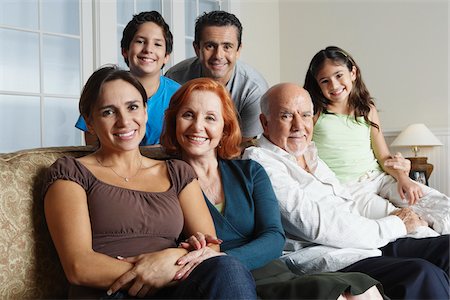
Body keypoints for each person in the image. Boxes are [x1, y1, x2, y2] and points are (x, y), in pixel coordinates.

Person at [158, 77, 384, 300]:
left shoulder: (250, 171)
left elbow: (274, 237)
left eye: (210, 118)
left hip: (275, 273)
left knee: (363, 289)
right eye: (188, 115)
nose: (198, 126)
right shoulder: (163, 178)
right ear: (174, 121)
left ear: (224, 127)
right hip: (225, 284)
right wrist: (214, 262)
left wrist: (223, 256)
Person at [43, 66, 256, 299]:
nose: (124, 121)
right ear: (90, 122)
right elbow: (79, 267)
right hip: (110, 291)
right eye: (108, 112)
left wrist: (167, 262)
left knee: (227, 269)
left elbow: (210, 247)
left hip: (174, 288)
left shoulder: (177, 172)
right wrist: (153, 271)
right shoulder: (71, 173)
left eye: (133, 107)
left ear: (145, 111)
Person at [243, 82, 450, 299]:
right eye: (286, 116)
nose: (299, 125)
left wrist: (403, 220)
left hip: (365, 244)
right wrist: (397, 224)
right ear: (264, 123)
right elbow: (317, 226)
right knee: (421, 274)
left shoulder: (311, 154)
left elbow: (347, 205)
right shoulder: (260, 163)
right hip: (331, 257)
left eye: (305, 115)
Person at [303, 46, 450, 234]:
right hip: (351, 189)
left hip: (379, 178)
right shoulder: (315, 113)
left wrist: (403, 178)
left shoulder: (367, 109)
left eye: (339, 75)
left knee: (440, 206)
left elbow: (383, 157)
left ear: (353, 72)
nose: (334, 85)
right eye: (325, 81)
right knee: (406, 222)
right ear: (317, 85)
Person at [75, 11, 180, 146]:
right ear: (125, 50)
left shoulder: (179, 96)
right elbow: (93, 148)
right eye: (140, 41)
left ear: (166, 55)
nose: (148, 49)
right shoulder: (105, 89)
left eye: (157, 44)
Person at [165, 10, 268, 141]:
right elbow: (169, 132)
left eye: (227, 47)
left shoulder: (254, 90)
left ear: (238, 50)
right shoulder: (175, 78)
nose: (218, 55)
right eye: (210, 46)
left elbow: (244, 147)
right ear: (197, 49)